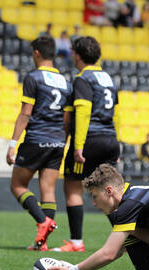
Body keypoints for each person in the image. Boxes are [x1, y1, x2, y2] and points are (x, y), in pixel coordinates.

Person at [50, 36, 120, 252]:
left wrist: (77, 146)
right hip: (110, 139)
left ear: (77, 55)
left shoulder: (83, 79)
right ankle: (128, 239)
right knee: (111, 192)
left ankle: (76, 242)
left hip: (90, 139)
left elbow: (82, 112)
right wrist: (117, 142)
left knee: (72, 187)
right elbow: (116, 114)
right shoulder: (108, 78)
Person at [6, 36, 72, 251]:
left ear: (36, 53)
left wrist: (12, 143)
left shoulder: (33, 78)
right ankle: (42, 242)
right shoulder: (66, 82)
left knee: (17, 185)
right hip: (58, 140)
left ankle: (42, 222)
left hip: (37, 138)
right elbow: (67, 118)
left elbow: (26, 113)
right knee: (48, 189)